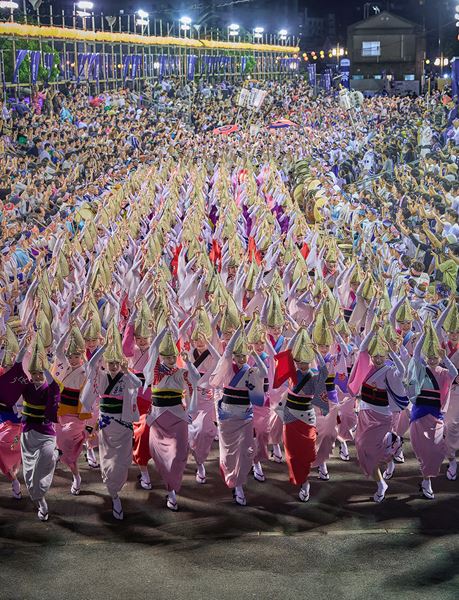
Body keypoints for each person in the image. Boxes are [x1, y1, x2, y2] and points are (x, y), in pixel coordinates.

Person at [81, 320, 141, 521]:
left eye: (116, 363)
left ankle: (116, 489)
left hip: (123, 426)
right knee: (108, 464)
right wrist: (104, 348)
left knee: (123, 462)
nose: (113, 366)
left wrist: (127, 371)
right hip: (106, 426)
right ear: (106, 363)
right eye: (110, 363)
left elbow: (139, 383)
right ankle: (114, 495)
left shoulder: (125, 377)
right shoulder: (101, 376)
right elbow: (90, 364)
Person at [349, 325, 409, 503]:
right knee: (361, 446)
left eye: (381, 356)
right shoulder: (366, 367)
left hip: (382, 416)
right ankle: (390, 454)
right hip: (365, 413)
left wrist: (392, 351)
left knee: (370, 451)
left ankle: (381, 484)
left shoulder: (390, 370)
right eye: (375, 355)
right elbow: (361, 349)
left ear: (386, 356)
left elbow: (403, 371)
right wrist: (372, 332)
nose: (378, 359)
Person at [210, 327, 267, 506]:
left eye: (244, 356)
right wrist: (241, 329)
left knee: (246, 451)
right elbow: (227, 351)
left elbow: (264, 372)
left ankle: (239, 483)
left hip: (245, 415)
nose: (241, 359)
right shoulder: (226, 366)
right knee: (229, 452)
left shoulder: (251, 370)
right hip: (227, 414)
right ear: (233, 355)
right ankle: (232, 479)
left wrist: (255, 355)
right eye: (238, 356)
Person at [407, 320, 458, 499]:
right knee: (421, 449)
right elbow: (415, 356)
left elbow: (455, 374)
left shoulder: (444, 372)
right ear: (426, 358)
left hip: (436, 415)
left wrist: (445, 359)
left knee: (436, 450)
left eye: (435, 357)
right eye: (430, 357)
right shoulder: (420, 369)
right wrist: (423, 335)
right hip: (419, 414)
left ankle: (426, 479)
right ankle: (426, 480)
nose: (432, 359)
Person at [54, 325, 92, 496]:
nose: (73, 359)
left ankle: (76, 476)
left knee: (67, 443)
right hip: (59, 413)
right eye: (70, 356)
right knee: (60, 443)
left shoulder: (86, 371)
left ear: (81, 355)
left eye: (76, 356)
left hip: (76, 416)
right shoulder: (64, 367)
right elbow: (57, 351)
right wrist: (69, 331)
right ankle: (74, 473)